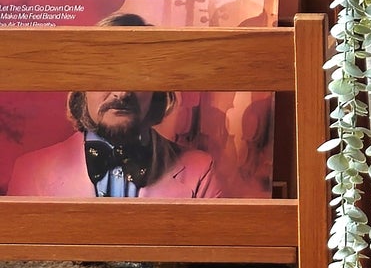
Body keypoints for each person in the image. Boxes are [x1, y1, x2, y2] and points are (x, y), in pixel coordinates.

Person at [7, 13, 219, 198]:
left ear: (158, 90)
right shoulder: (30, 170)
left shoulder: (200, 171)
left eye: (138, 76)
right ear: (82, 89)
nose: (122, 93)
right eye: (106, 74)